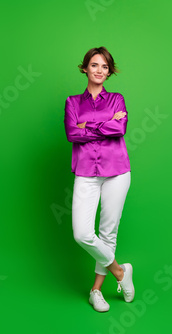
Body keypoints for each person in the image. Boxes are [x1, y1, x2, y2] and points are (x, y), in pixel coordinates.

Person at [63, 46, 134, 312]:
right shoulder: (73, 102)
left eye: (105, 67)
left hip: (117, 171)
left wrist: (88, 127)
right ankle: (120, 271)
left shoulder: (117, 99)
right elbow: (72, 133)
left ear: (109, 71)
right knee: (82, 233)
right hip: (86, 173)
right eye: (95, 65)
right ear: (85, 68)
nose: (99, 71)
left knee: (108, 233)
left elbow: (120, 128)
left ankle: (96, 291)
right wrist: (105, 125)